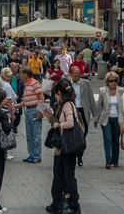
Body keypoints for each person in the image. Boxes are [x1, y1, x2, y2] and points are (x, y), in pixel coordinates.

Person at [45, 79, 82, 214]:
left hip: (68, 147)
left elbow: (70, 123)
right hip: (63, 146)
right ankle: (58, 203)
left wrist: (58, 125)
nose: (55, 96)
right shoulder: (64, 105)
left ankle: (72, 204)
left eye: (56, 94)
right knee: (60, 174)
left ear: (60, 92)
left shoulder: (67, 105)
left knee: (67, 175)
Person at [94, 72, 123, 168]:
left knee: (116, 140)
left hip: (118, 118)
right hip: (106, 118)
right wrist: (96, 119)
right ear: (107, 82)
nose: (114, 83)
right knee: (108, 139)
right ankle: (108, 161)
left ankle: (115, 160)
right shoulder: (103, 90)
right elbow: (99, 106)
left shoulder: (121, 91)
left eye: (115, 81)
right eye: (111, 81)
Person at [69, 66, 97, 166]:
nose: (77, 77)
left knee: (83, 134)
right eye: (75, 76)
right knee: (72, 133)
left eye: (79, 75)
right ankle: (73, 154)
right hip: (71, 110)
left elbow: (91, 99)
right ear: (71, 74)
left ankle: (79, 155)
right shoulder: (67, 83)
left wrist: (95, 115)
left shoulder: (86, 83)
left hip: (82, 110)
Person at [17, 66, 44, 163]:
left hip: (35, 111)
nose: (20, 75)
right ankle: (31, 154)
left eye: (21, 73)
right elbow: (27, 100)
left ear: (26, 74)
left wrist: (41, 111)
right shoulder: (27, 85)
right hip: (28, 111)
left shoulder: (35, 83)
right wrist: (18, 106)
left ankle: (37, 155)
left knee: (36, 134)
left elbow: (41, 98)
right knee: (29, 135)